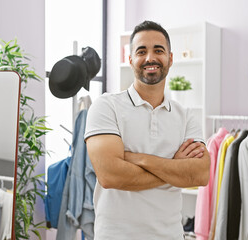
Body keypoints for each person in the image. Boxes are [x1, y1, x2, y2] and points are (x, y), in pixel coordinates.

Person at [84, 20, 210, 239]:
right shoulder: (106, 106)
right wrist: (175, 169)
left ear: (170, 59)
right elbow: (110, 175)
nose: (150, 58)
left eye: (158, 50)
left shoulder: (186, 116)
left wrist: (137, 159)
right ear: (131, 59)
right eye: (141, 51)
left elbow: (199, 174)